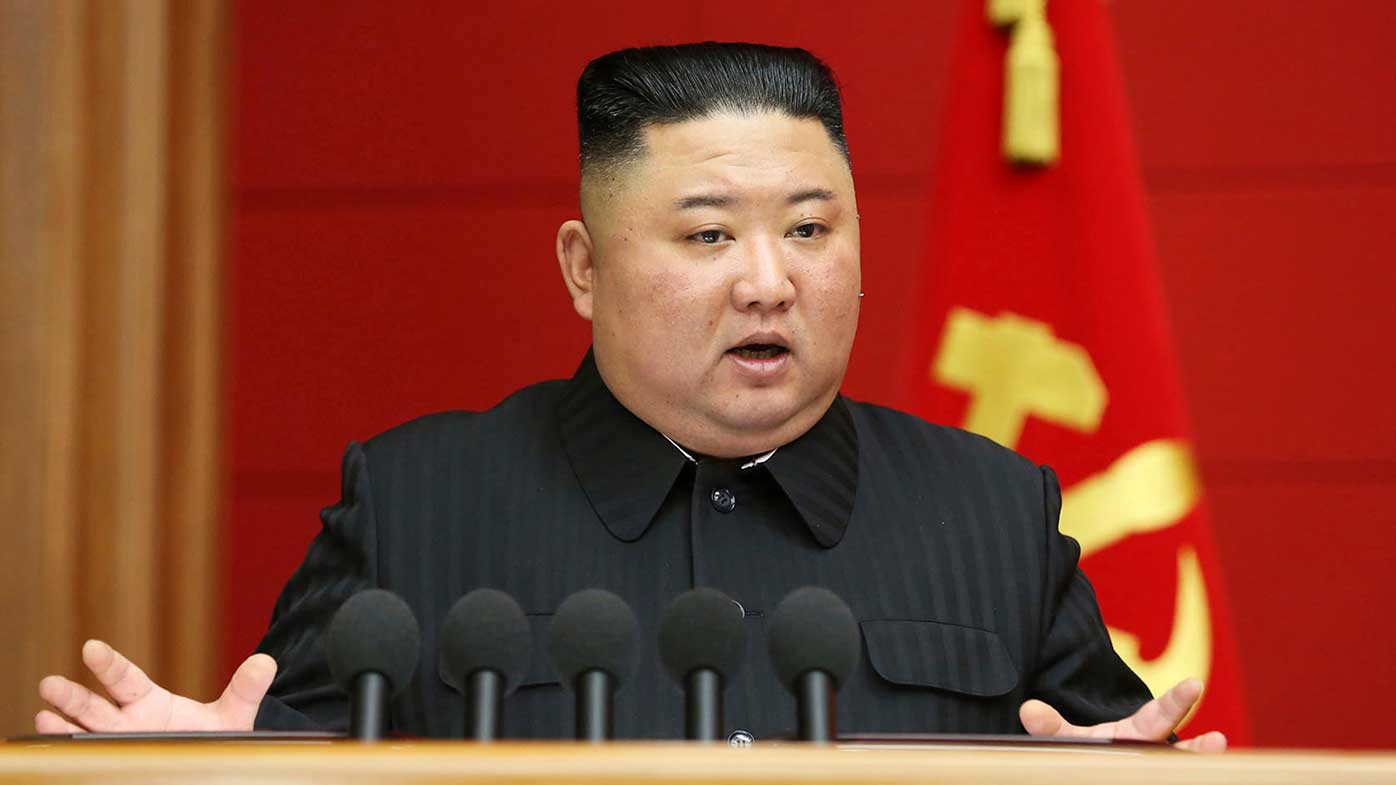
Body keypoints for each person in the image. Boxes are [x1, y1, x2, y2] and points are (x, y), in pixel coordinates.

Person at [35, 42, 1225, 751]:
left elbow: (1113, 756)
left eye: (811, 228)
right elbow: (292, 754)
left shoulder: (992, 512)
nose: (770, 279)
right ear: (583, 267)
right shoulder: (415, 498)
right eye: (708, 234)